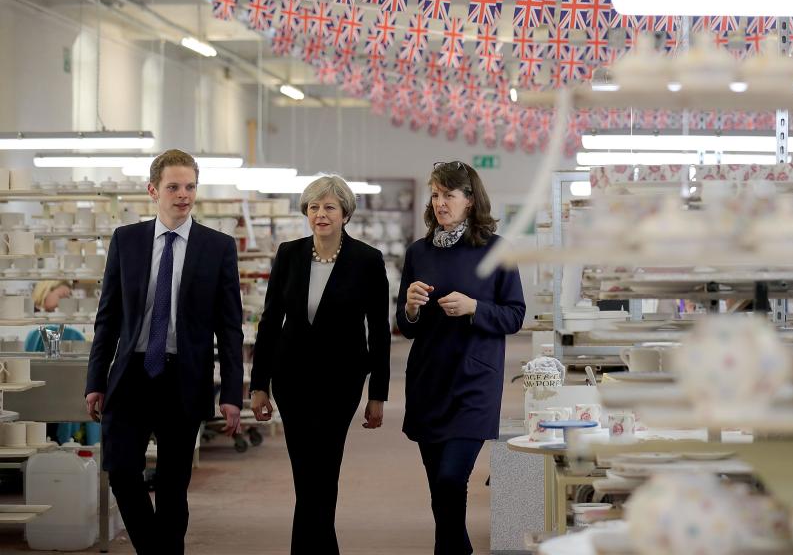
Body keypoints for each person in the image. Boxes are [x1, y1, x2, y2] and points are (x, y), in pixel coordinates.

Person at [84, 150, 243, 555]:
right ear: (153, 190)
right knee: (121, 472)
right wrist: (95, 381)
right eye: (173, 187)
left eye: (190, 186)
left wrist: (230, 394)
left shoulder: (218, 247)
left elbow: (229, 328)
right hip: (132, 374)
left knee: (174, 484)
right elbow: (108, 317)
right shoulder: (127, 240)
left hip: (183, 378)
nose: (183, 195)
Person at [249, 175, 391, 555]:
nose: (320, 214)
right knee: (305, 475)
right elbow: (269, 321)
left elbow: (379, 330)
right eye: (313, 207)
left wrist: (378, 393)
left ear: (345, 213)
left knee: (323, 472)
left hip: (340, 383)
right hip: (291, 380)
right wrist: (258, 383)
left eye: (329, 207)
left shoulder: (367, 260)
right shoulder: (289, 253)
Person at [397, 161, 525, 555]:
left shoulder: (497, 249)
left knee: (453, 477)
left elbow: (515, 315)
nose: (440, 203)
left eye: (448, 195)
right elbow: (407, 327)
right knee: (440, 484)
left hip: (474, 381)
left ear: (470, 201)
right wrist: (411, 307)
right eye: (435, 195)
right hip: (428, 380)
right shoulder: (418, 251)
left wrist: (475, 307)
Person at [26, 281, 94, 445]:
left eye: (69, 297)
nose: (66, 301)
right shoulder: (40, 329)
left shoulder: (71, 330)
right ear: (44, 293)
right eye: (62, 296)